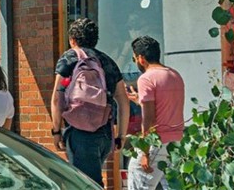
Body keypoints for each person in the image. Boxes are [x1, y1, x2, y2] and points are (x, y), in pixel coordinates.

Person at [51, 18, 130, 187]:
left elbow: (57, 98)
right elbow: (123, 100)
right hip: (105, 133)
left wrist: (56, 131)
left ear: (72, 40)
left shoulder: (70, 58)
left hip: (81, 134)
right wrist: (121, 136)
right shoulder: (107, 61)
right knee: (89, 182)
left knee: (88, 185)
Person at [126, 35, 184, 190]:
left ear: (141, 58)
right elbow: (166, 106)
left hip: (157, 141)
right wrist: (141, 101)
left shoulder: (146, 78)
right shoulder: (174, 75)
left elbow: (149, 119)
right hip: (176, 142)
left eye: (134, 59)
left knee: (137, 183)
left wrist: (145, 152)